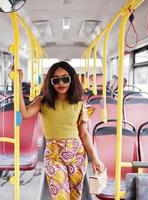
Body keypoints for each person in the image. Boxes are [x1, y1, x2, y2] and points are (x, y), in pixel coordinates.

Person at [18, 61, 104, 200]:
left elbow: (84, 134)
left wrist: (95, 158)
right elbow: (24, 114)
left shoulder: (80, 103)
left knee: (75, 197)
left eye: (65, 78)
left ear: (72, 79)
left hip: (77, 155)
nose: (61, 83)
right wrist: (18, 83)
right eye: (56, 79)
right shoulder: (43, 101)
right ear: (51, 82)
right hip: (54, 155)